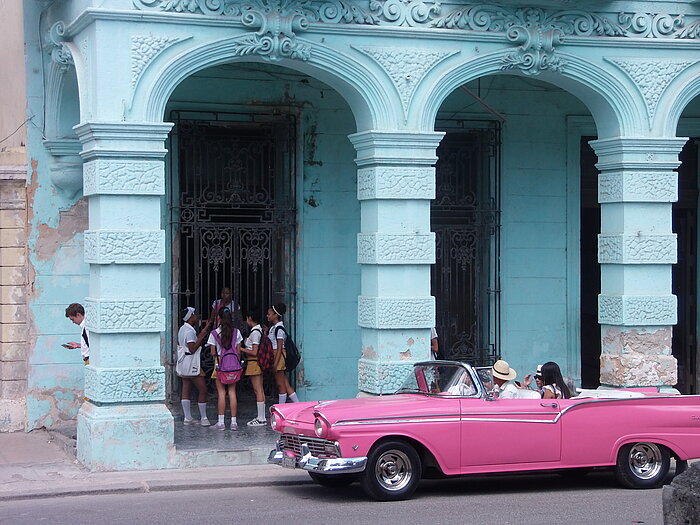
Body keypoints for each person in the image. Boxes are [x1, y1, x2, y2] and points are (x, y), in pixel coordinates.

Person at [207, 308, 243, 430]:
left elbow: (212, 352)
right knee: (232, 392)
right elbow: (238, 351)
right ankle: (234, 422)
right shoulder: (237, 332)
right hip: (233, 366)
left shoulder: (214, 334)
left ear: (219, 318)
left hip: (220, 365)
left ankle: (221, 422)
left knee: (221, 393)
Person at [177, 307, 212, 426]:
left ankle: (187, 417)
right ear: (190, 316)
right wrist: (201, 337)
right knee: (203, 389)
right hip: (192, 363)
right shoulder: (190, 331)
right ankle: (204, 418)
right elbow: (192, 348)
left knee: (186, 387)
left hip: (184, 363)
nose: (197, 316)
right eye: (195, 314)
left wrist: (204, 329)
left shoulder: (182, 329)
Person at [267, 303, 299, 404]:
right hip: (278, 355)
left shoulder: (279, 329)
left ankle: (281, 408)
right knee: (285, 384)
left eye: (269, 314)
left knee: (281, 386)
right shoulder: (274, 328)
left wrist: (275, 363)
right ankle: (299, 405)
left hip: (278, 356)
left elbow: (279, 347)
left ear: (276, 315)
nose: (267, 316)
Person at [240, 307, 267, 426]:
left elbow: (255, 352)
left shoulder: (255, 333)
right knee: (259, 389)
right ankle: (261, 416)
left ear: (250, 318)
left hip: (254, 362)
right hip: (255, 363)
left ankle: (261, 418)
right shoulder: (258, 330)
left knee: (258, 390)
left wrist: (241, 349)